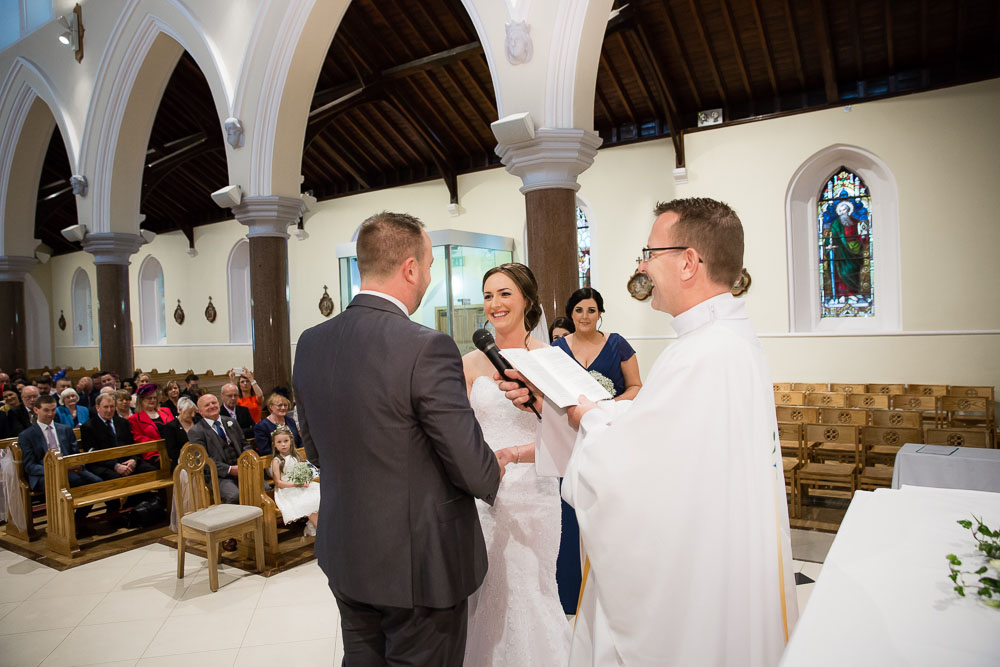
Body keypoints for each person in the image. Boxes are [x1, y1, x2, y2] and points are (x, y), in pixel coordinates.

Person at [502, 197, 799, 665]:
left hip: (693, 576)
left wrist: (590, 418)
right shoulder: (722, 340)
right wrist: (596, 414)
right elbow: (667, 439)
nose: (642, 266)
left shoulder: (705, 353)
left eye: (650, 253)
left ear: (687, 262)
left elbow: (637, 471)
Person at [293, 211, 502, 664]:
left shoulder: (310, 341)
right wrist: (494, 469)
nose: (429, 276)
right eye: (428, 265)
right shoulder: (426, 345)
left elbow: (315, 449)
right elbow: (469, 463)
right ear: (410, 268)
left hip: (346, 546)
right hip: (419, 564)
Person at [460, 262, 571, 665]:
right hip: (485, 495)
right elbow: (461, 430)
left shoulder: (550, 359)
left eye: (505, 293)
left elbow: (566, 436)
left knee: (531, 588)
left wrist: (515, 454)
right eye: (488, 295)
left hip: (533, 490)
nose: (495, 303)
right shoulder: (470, 363)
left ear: (527, 299)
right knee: (486, 591)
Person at [553, 287, 642, 401]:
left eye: (591, 311)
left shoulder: (617, 344)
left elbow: (636, 387)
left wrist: (611, 405)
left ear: (599, 314)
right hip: (570, 416)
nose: (585, 316)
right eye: (579, 310)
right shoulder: (557, 347)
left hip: (613, 415)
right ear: (571, 313)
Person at [18, 394, 102, 505]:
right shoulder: (27, 435)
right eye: (46, 410)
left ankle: (80, 519)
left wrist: (77, 464)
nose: (50, 414)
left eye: (53, 410)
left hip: (69, 469)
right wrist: (57, 468)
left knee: (99, 483)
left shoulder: (65, 429)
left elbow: (75, 453)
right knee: (75, 482)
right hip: (44, 474)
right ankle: (66, 519)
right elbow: (30, 466)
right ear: (36, 410)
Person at [186, 393, 249, 505]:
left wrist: (245, 462)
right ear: (200, 411)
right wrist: (229, 469)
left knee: (265, 488)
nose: (212, 406)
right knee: (235, 496)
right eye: (207, 405)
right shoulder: (196, 431)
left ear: (219, 404)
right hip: (217, 475)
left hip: (242, 469)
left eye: (214, 403)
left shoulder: (231, 422)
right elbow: (203, 460)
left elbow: (245, 444)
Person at [80, 393, 155, 486]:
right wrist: (116, 466)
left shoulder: (122, 422)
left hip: (126, 461)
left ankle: (150, 499)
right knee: (116, 479)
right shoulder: (88, 427)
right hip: (103, 464)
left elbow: (132, 444)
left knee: (150, 471)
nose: (109, 410)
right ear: (98, 407)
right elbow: (92, 454)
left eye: (112, 407)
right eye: (106, 407)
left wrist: (133, 460)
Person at [269, 425, 319, 536]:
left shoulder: (296, 456)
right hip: (287, 491)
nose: (283, 444)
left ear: (291, 441)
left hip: (301, 486)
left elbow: (303, 471)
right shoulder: (276, 461)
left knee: (319, 495)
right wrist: (296, 484)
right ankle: (320, 530)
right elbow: (278, 483)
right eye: (279, 442)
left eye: (286, 441)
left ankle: (314, 526)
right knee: (308, 501)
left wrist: (305, 479)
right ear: (274, 444)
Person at [128, 384, 172, 463]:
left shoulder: (166, 411)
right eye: (149, 398)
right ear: (141, 400)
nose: (153, 400)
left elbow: (175, 428)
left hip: (173, 450)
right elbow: (139, 439)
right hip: (154, 454)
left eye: (155, 398)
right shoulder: (134, 419)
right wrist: (162, 450)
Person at [161, 396, 199, 468]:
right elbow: (172, 452)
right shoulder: (171, 427)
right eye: (190, 412)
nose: (193, 415)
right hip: (181, 463)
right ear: (180, 410)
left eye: (194, 412)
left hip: (200, 458)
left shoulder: (197, 421)